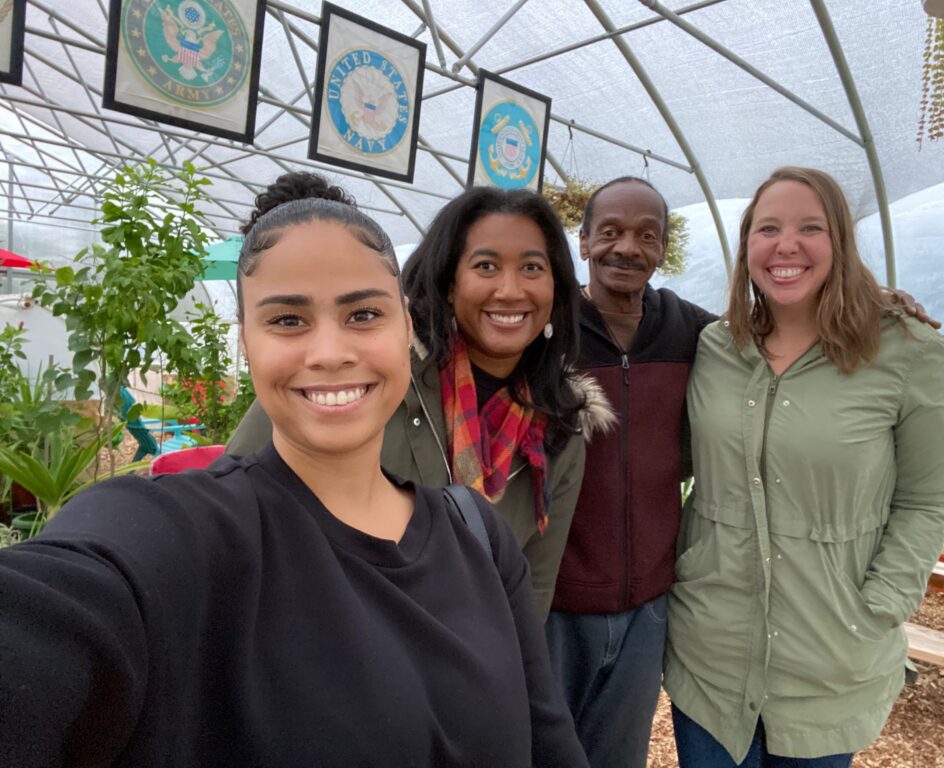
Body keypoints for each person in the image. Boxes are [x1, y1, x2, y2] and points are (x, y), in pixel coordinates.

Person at [0, 174, 589, 767]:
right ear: (246, 342)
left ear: (405, 326)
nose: (329, 352)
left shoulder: (481, 540)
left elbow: (548, 736)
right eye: (287, 320)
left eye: (363, 314)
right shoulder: (182, 536)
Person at [663, 167, 944, 767]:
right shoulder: (715, 346)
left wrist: (882, 601)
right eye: (767, 228)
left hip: (831, 656)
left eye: (810, 228)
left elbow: (927, 499)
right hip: (711, 651)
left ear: (840, 243)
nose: (786, 245)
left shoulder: (905, 350)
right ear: (747, 243)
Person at [229, 184, 613, 618]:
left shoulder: (560, 426)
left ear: (556, 289)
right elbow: (231, 513)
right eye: (486, 265)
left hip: (468, 661)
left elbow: (534, 588)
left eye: (532, 267)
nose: (510, 290)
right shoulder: (371, 377)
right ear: (450, 284)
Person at [545, 176, 718, 768]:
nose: (628, 248)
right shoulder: (545, 326)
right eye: (611, 231)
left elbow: (779, 327)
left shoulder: (691, 330)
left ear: (663, 249)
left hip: (647, 606)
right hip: (552, 602)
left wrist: (877, 304)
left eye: (647, 235)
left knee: (618, 756)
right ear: (584, 240)